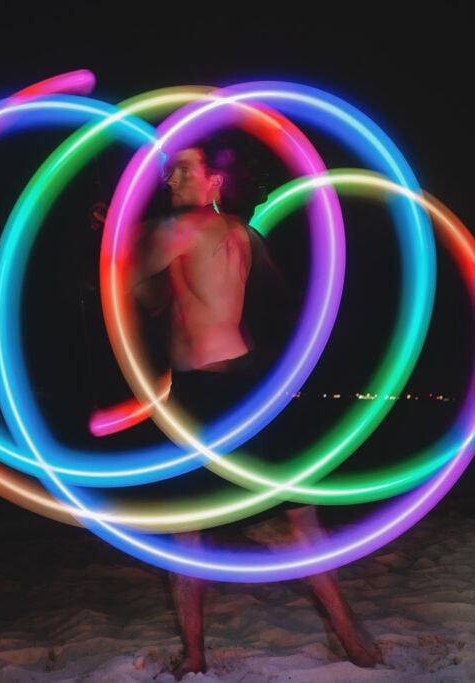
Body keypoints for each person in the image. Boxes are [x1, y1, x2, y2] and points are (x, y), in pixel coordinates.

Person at [126, 136, 382, 679]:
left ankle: (195, 658)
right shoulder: (245, 234)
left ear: (215, 182)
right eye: (170, 173)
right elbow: (281, 301)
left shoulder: (176, 230)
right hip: (250, 389)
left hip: (202, 400)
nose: (170, 180)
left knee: (189, 535)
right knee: (300, 523)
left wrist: (111, 239)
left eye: (185, 171)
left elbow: (130, 290)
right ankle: (351, 639)